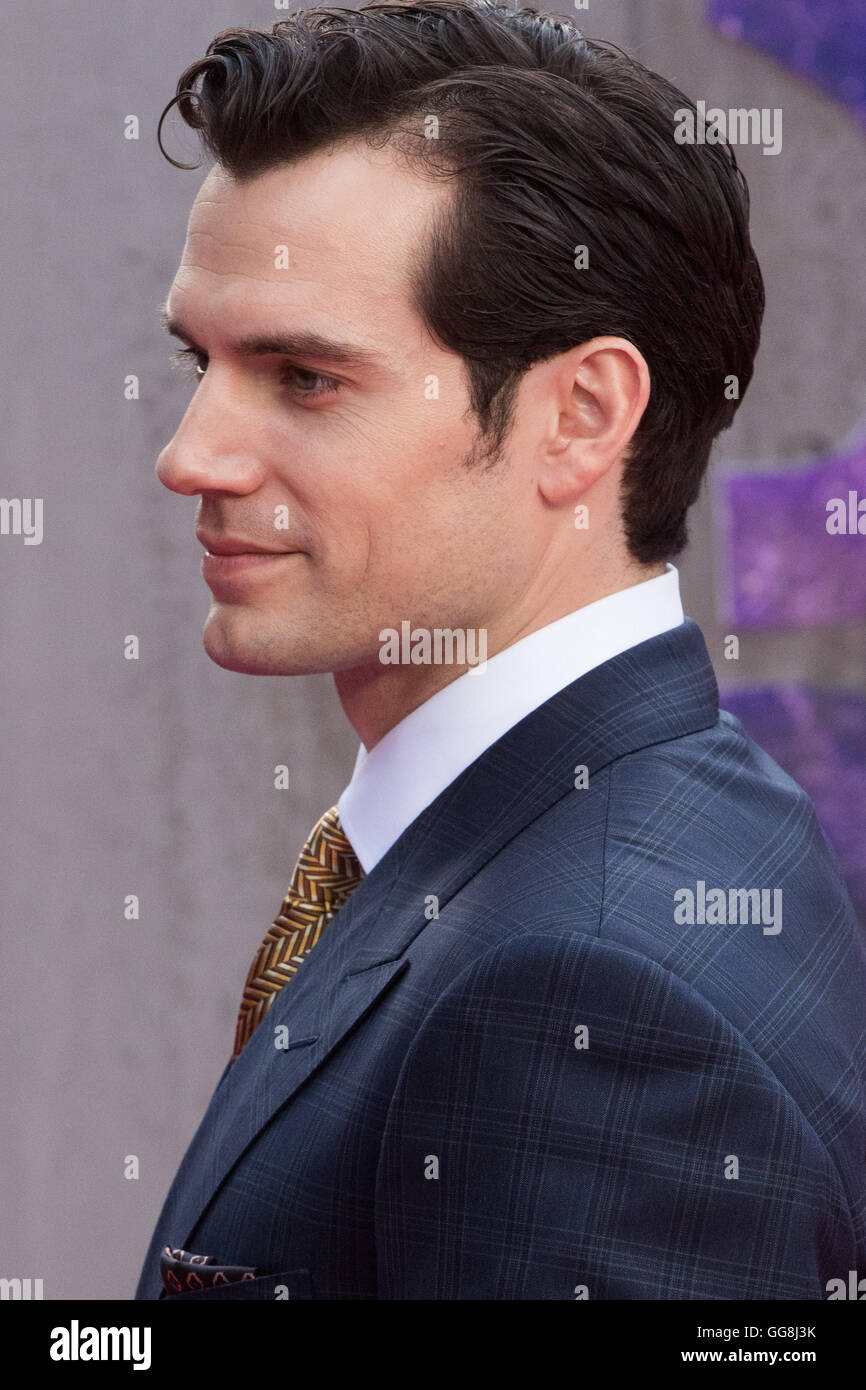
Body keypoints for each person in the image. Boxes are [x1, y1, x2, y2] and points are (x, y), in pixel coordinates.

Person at [135, 0, 866, 1300]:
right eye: (200, 360)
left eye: (304, 377)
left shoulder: (592, 996)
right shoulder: (593, 835)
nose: (191, 453)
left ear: (580, 416)